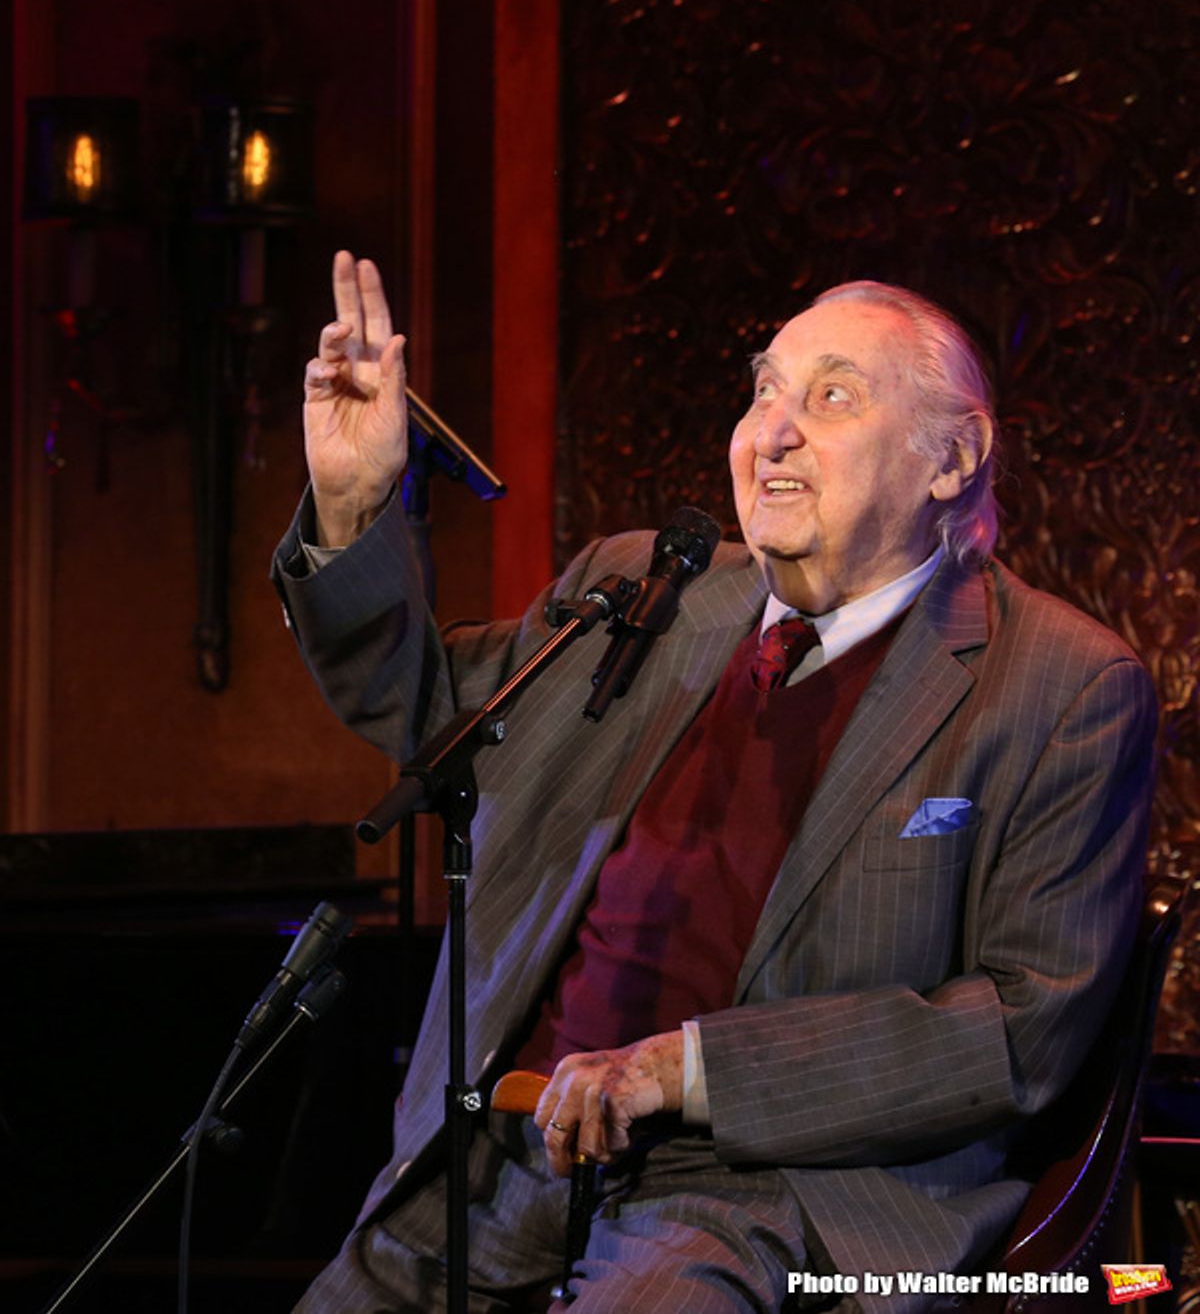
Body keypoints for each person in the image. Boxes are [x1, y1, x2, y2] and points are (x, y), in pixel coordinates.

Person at [272, 250, 1157, 1312]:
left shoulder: (1060, 685)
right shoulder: (645, 592)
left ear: (952, 458)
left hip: (762, 1191)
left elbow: (1017, 1029)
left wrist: (684, 1071)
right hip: (498, 1160)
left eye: (832, 397)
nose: (772, 431)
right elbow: (426, 710)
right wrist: (350, 504)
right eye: (764, 393)